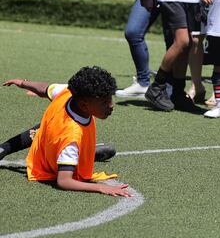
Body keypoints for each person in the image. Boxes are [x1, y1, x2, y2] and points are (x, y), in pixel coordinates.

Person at [5, 67, 132, 197]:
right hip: (51, 160)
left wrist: (23, 83)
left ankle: (4, 148)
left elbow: (45, 88)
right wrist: (101, 187)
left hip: (49, 140)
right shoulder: (71, 137)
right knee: (70, 149)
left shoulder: (68, 93)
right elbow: (64, 181)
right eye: (104, 102)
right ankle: (84, 154)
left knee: (46, 127)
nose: (111, 105)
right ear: (84, 105)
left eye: (110, 98)